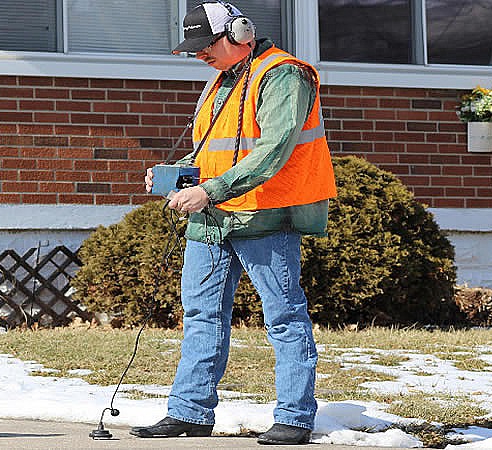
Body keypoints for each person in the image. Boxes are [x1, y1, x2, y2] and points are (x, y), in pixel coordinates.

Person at [131, 1, 337, 445]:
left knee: (284, 316)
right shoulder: (220, 82)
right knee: (202, 314)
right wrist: (177, 172)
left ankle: (295, 418)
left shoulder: (284, 75)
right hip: (213, 218)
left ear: (240, 33)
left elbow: (273, 151)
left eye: (205, 46)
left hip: (266, 215)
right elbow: (213, 150)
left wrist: (210, 190)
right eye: (193, 49)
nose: (199, 55)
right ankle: (189, 412)